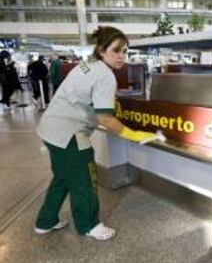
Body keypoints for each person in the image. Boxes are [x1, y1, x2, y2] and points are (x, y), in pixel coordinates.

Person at [35, 26, 162, 241]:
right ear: (102, 50)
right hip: (70, 135)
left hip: (50, 129)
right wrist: (134, 134)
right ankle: (88, 225)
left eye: (125, 51)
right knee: (84, 180)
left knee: (63, 177)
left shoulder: (87, 64)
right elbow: (105, 118)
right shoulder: (105, 75)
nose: (122, 56)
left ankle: (45, 221)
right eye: (116, 50)